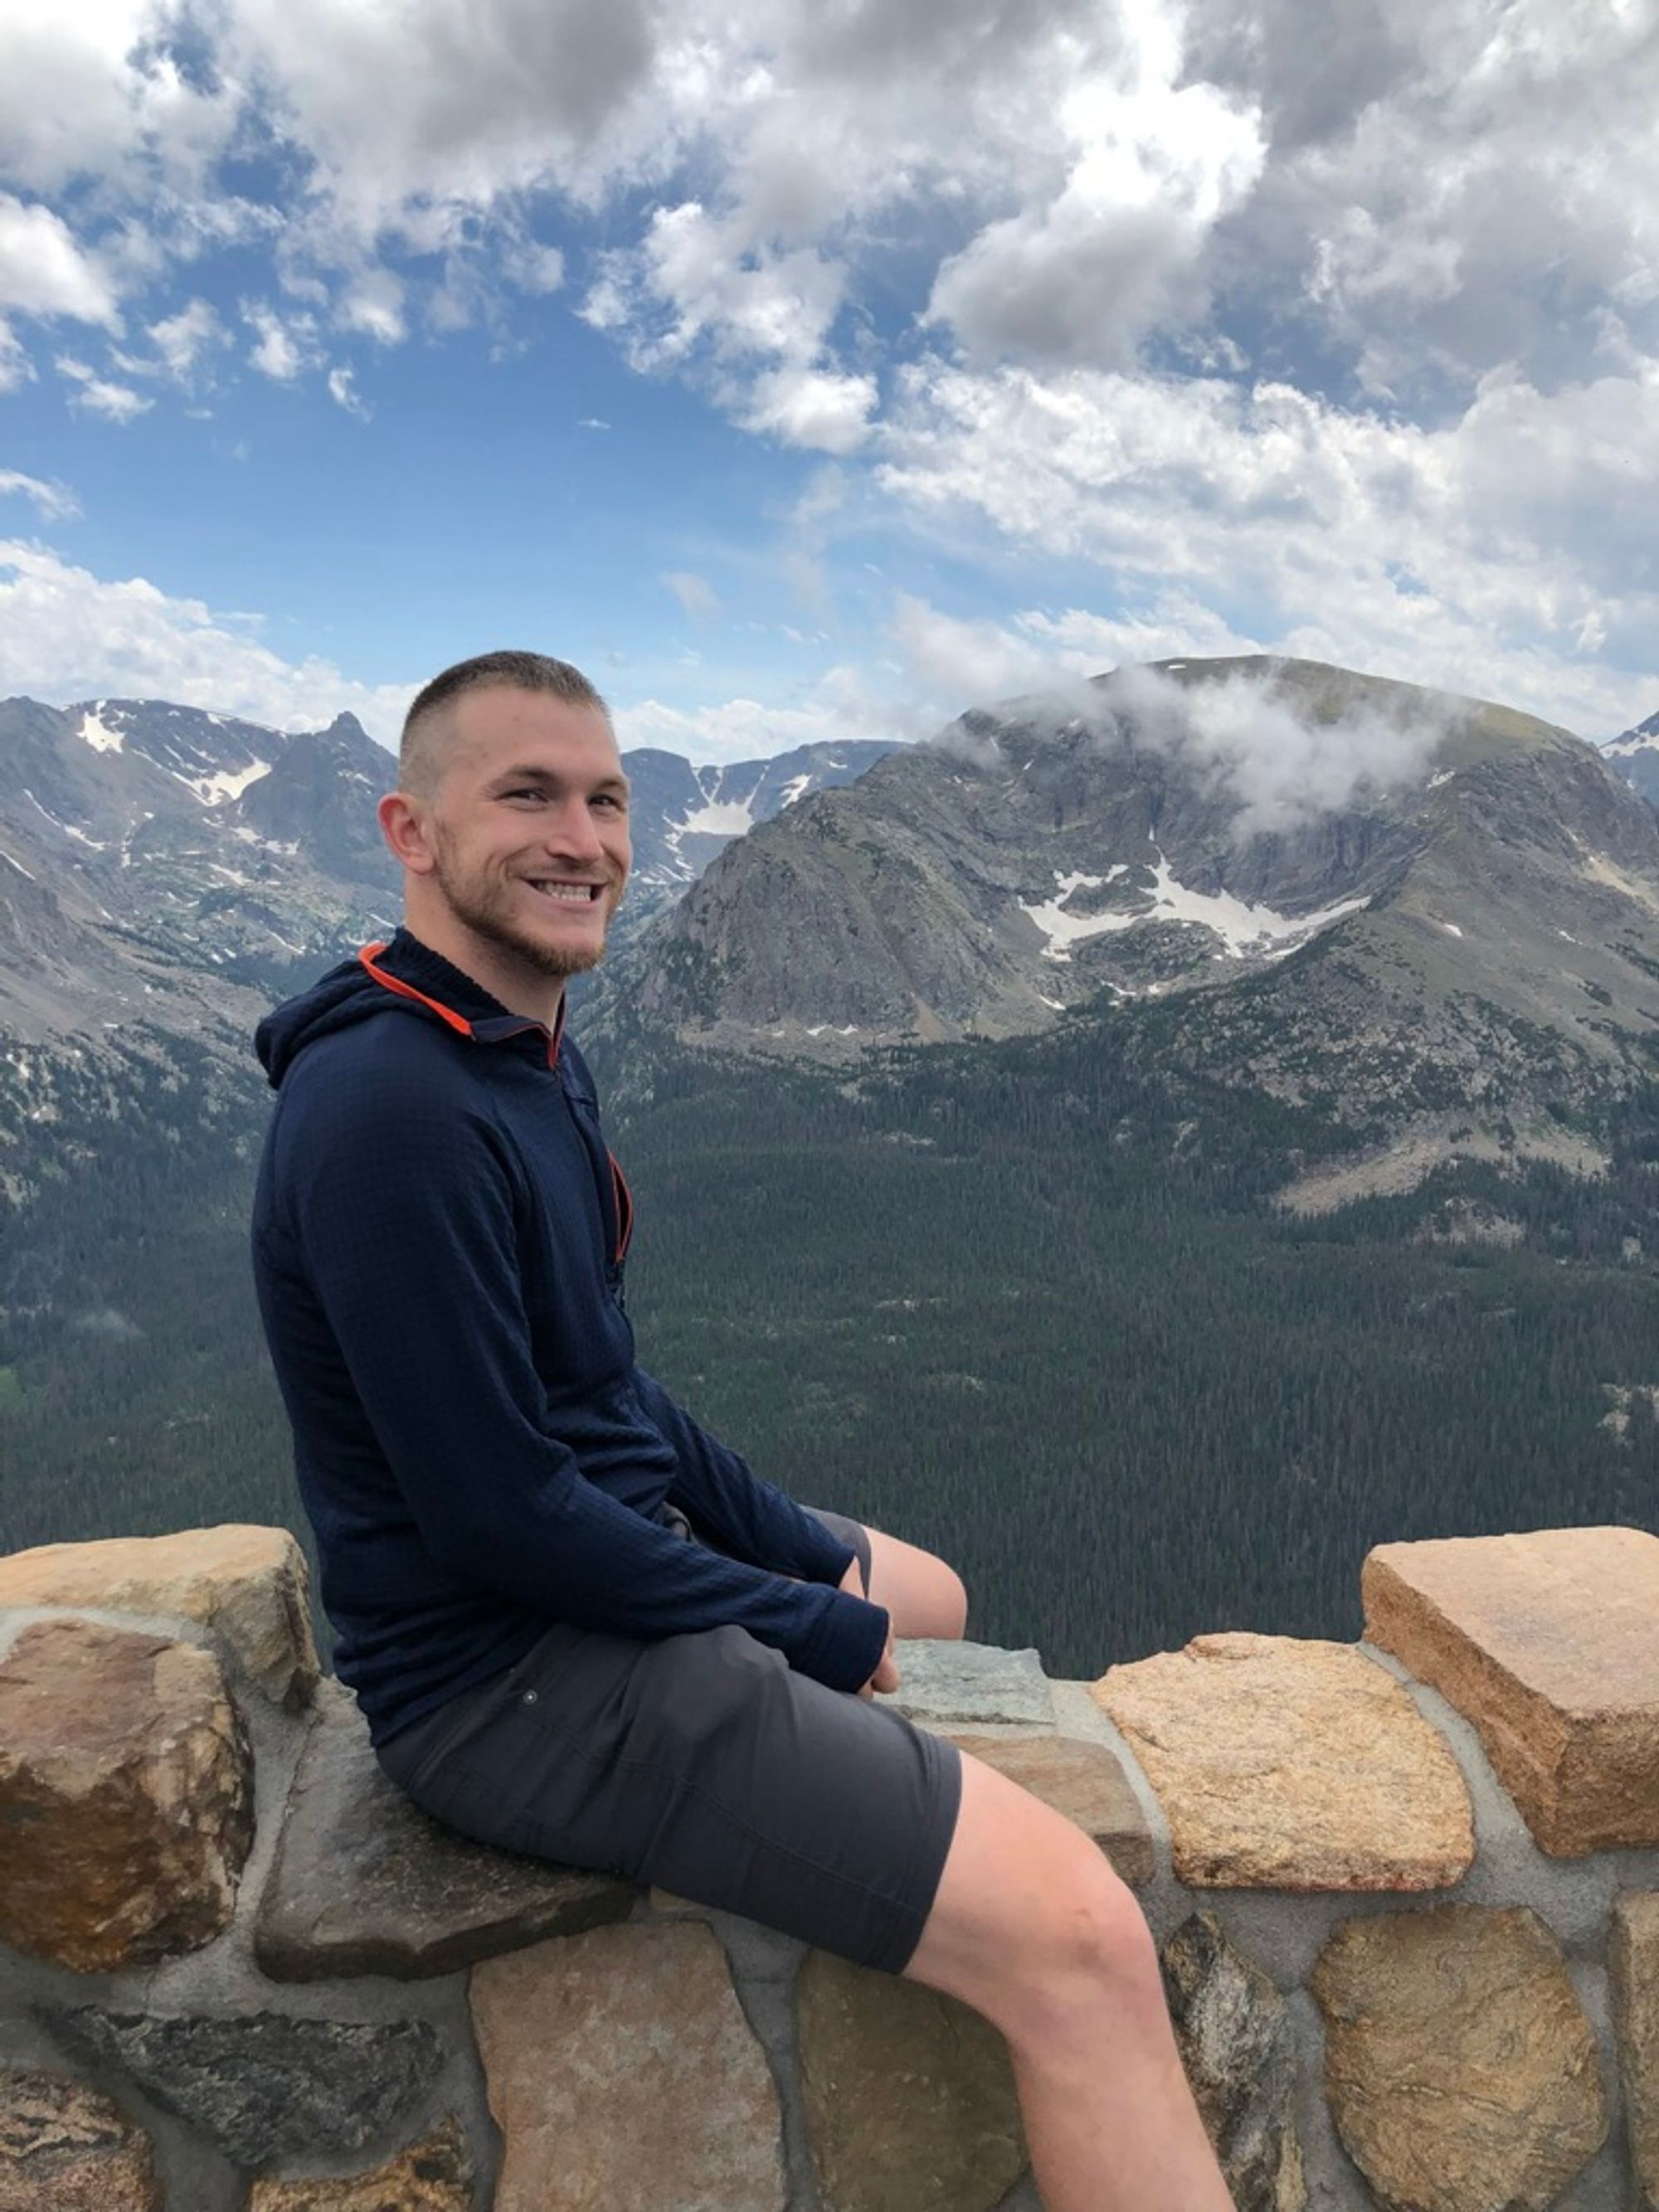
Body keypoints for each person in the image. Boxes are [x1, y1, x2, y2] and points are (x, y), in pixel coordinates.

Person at [251, 649, 1231, 2212]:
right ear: (411, 831)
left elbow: (610, 1396)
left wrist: (801, 1554)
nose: (582, 837)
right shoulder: (392, 1111)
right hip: (506, 1682)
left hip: (590, 1582)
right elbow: (497, 1512)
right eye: (527, 796)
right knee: (1085, 1944)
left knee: (929, 1592)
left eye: (606, 799)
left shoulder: (511, 1051)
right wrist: (792, 1626)